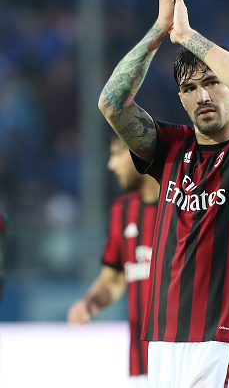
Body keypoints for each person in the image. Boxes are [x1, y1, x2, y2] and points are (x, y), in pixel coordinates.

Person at [97, 0, 229, 388]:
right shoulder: (171, 148)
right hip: (163, 344)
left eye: (212, 82)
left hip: (223, 342)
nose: (202, 96)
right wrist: (160, 29)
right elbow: (111, 103)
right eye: (189, 88)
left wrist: (186, 37)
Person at [68, 136, 160, 386]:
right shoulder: (122, 211)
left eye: (118, 154)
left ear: (141, 153)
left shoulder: (189, 206)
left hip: (191, 359)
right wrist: (90, 300)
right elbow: (114, 278)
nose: (112, 164)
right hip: (143, 365)